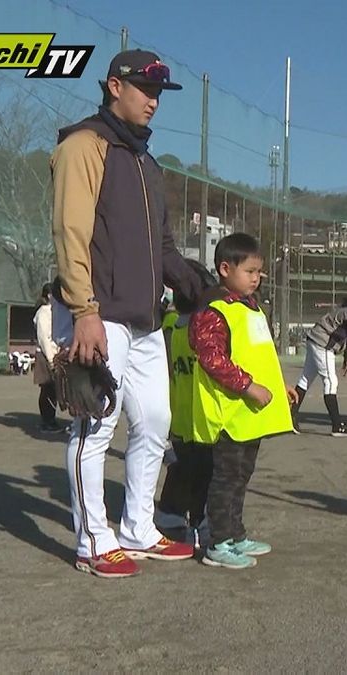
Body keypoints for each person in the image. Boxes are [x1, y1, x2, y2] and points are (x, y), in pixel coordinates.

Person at [51, 49, 206, 578]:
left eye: (159, 93)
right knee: (95, 428)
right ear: (114, 86)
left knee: (156, 422)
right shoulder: (84, 145)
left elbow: (163, 248)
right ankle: (93, 541)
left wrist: (200, 290)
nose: (154, 101)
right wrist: (84, 309)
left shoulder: (146, 162)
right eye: (145, 89)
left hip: (145, 320)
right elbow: (70, 232)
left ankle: (139, 527)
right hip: (99, 313)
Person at [189, 233, 297, 568]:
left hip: (250, 417)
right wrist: (248, 386)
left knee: (241, 476)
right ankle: (218, 543)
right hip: (230, 416)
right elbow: (212, 359)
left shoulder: (251, 309)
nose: (256, 278)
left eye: (259, 272)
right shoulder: (215, 311)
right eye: (250, 271)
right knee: (226, 478)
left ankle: (235, 534)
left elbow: (260, 357)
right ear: (225, 269)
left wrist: (281, 387)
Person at [155, 259, 218, 540]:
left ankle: (169, 513)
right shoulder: (202, 327)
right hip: (202, 417)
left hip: (176, 415)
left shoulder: (168, 326)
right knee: (206, 471)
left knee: (181, 468)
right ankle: (201, 520)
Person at [290, 279, 347, 437]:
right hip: (323, 342)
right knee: (331, 381)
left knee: (306, 379)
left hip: (316, 338)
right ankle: (336, 425)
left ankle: (290, 417)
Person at [33, 280, 67, 434]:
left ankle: (50, 419)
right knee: (47, 389)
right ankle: (47, 422)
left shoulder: (55, 311)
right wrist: (51, 359)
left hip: (55, 354)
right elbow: (44, 338)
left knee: (54, 390)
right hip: (46, 355)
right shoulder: (43, 312)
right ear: (49, 295)